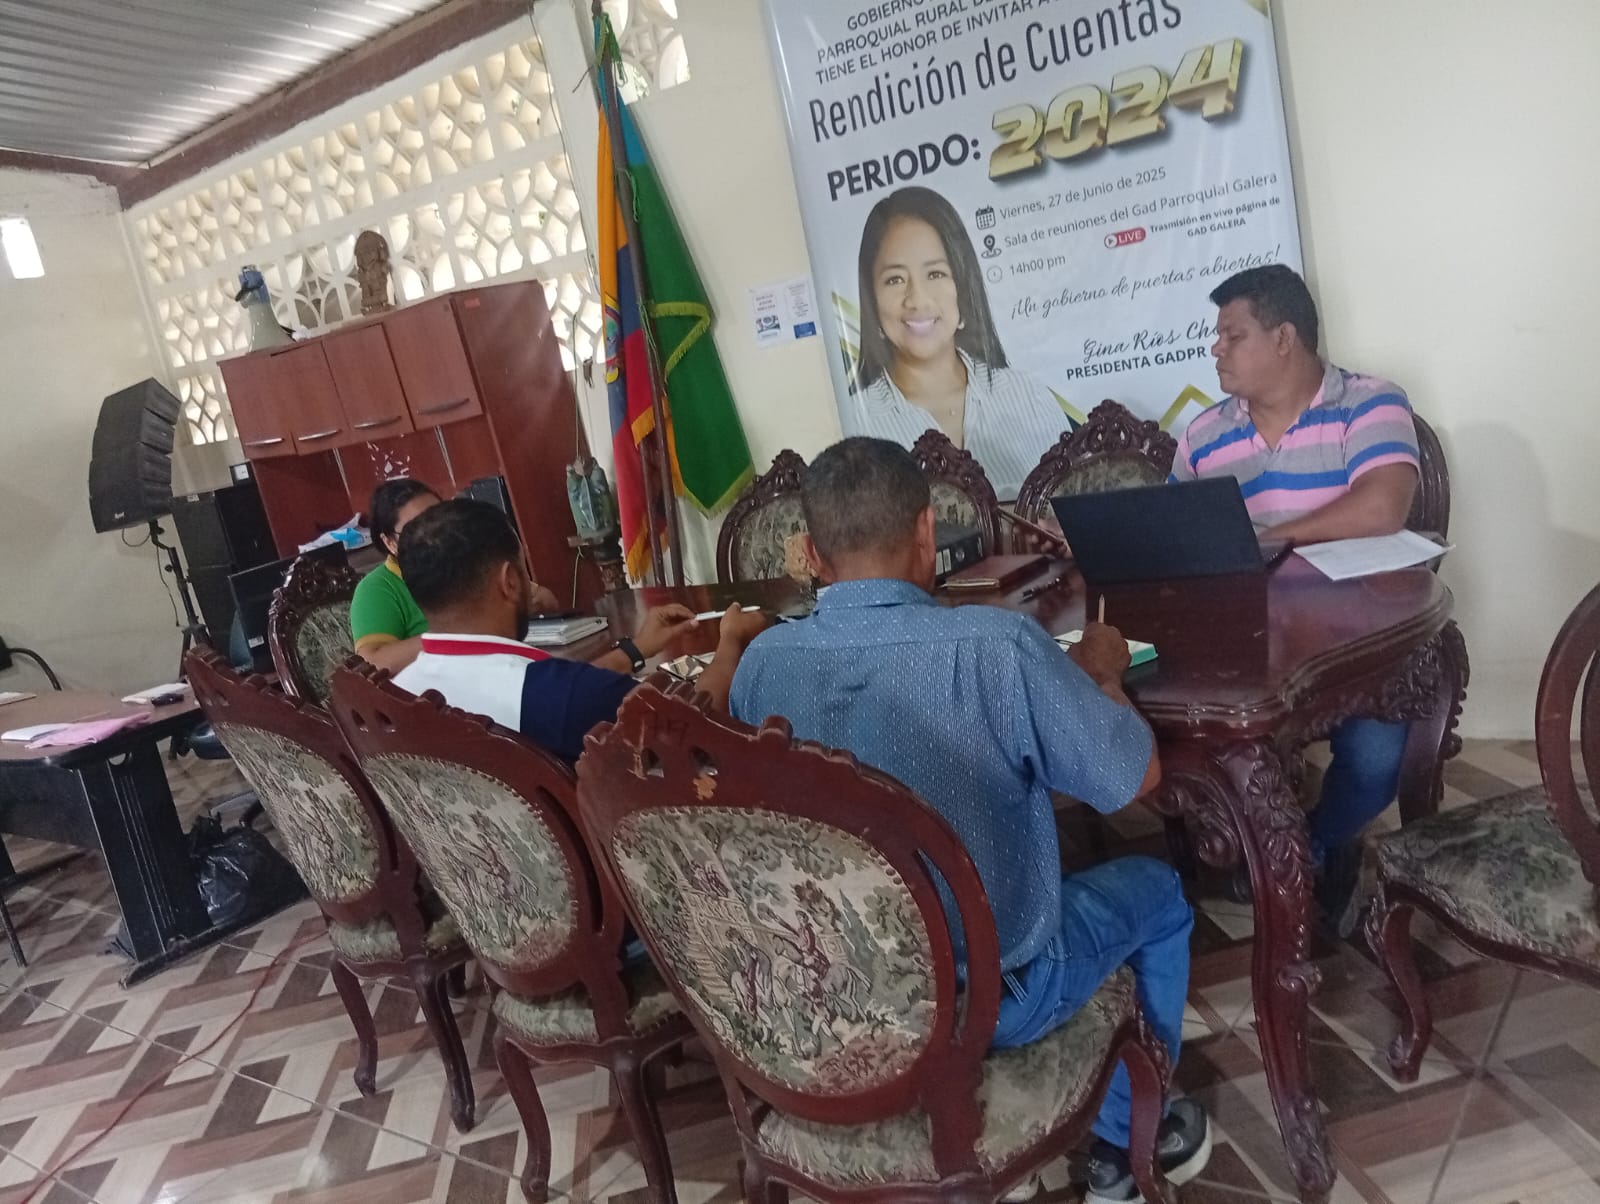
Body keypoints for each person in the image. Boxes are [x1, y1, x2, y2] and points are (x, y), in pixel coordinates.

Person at [730, 438, 1210, 1204]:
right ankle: (1126, 1146)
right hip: (994, 999)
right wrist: (1103, 675)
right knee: (1159, 892)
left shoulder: (762, 664)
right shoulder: (999, 645)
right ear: (928, 531)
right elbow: (1136, 779)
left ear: (812, 554)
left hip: (836, 994)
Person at [1171, 264, 1422, 930]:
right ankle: (1254, 847)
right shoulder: (1203, 436)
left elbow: (1382, 507)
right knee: (1188, 733)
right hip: (1248, 647)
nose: (1216, 349)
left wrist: (1267, 537)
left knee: (1375, 759)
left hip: (1357, 645)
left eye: (1232, 335)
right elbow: (1179, 532)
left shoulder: (1369, 402)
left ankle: (1315, 842)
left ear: (1284, 338)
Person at [393, 499, 765, 761]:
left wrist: (635, 650)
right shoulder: (557, 697)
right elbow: (696, 722)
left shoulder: (398, 692)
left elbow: (567, 688)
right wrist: (731, 641)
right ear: (510, 581)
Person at [843, 186, 1070, 498]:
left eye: (935, 274)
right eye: (895, 279)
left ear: (963, 285)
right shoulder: (854, 425)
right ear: (871, 299)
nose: (917, 299)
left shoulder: (1029, 397)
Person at [351, 478, 559, 674]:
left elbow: (544, 599)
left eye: (439, 517)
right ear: (390, 542)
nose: (434, 530)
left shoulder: (464, 558)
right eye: (414, 527)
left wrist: (528, 602)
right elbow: (373, 662)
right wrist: (461, 632)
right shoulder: (378, 588)